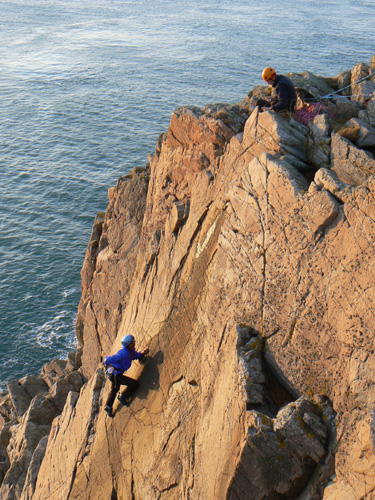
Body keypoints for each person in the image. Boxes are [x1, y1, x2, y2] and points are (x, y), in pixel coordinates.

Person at [103, 334, 149, 417]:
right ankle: (122, 396)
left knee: (115, 389)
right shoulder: (123, 353)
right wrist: (106, 363)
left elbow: (135, 356)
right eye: (133, 342)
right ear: (129, 344)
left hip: (116, 374)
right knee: (133, 384)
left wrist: (142, 353)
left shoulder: (129, 351)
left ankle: (108, 406)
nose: (134, 343)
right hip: (115, 375)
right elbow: (109, 359)